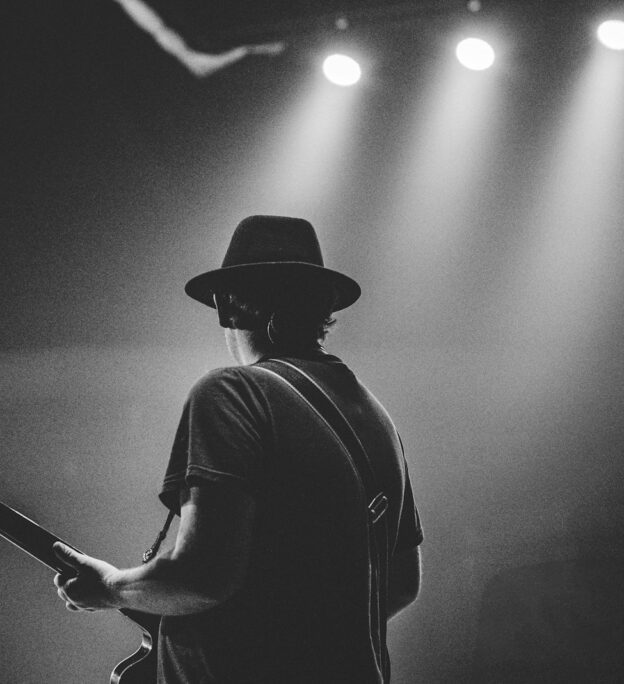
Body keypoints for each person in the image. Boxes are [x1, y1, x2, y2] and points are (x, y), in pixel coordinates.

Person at [53, 215, 423, 683]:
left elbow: (201, 575)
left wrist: (111, 587)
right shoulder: (377, 419)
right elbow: (402, 583)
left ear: (230, 306)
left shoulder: (232, 391)